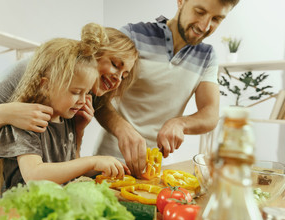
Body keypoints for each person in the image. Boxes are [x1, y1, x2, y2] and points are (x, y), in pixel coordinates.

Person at [0, 23, 138, 213]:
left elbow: (65, 158)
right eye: (115, 64)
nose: (118, 79)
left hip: (30, 192)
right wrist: (4, 113)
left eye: (124, 75)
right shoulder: (36, 71)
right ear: (93, 52)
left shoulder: (76, 100)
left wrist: (79, 132)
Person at [94, 0, 240, 178]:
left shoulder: (207, 56)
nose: (204, 26)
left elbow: (210, 114)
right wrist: (122, 129)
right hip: (111, 163)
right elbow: (95, 94)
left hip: (157, 170)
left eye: (216, 19)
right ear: (181, 2)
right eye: (200, 12)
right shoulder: (133, 35)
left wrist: (180, 123)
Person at [0, 30, 130, 199]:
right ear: (45, 86)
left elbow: (71, 166)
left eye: (87, 93)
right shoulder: (27, 121)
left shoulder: (67, 119)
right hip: (22, 213)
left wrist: (103, 162)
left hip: (55, 207)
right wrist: (92, 161)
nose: (83, 100)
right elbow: (34, 175)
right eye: (76, 92)